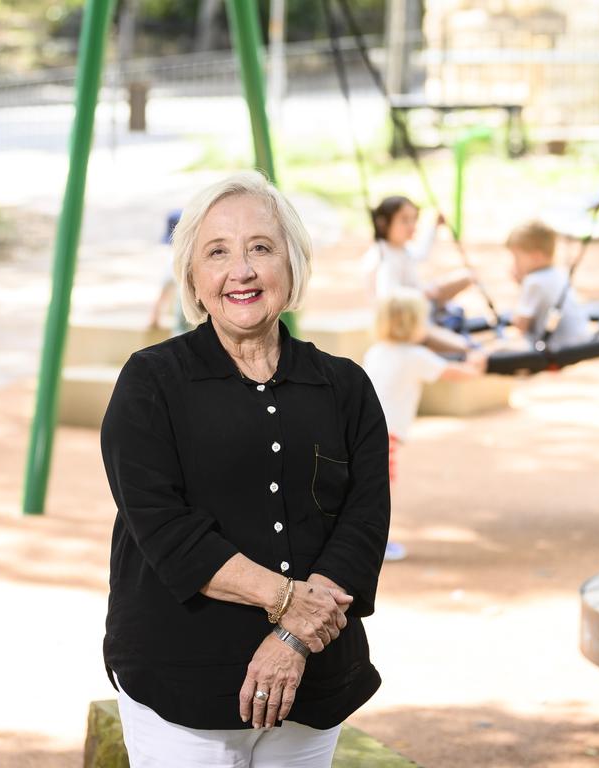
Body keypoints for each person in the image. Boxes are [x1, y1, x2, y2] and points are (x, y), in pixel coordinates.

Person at [100, 171, 390, 767]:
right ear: (193, 279)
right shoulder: (151, 383)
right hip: (180, 684)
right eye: (218, 252)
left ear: (292, 263)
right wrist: (287, 600)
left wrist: (292, 638)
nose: (243, 271)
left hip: (312, 682)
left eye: (261, 247)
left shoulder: (344, 386)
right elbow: (166, 530)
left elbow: (362, 525)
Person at [362, 287, 486, 561]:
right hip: (386, 436)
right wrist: (478, 363)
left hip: (362, 431)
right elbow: (457, 374)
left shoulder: (378, 351)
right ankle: (375, 544)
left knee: (366, 488)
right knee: (381, 492)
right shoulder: (413, 356)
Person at [361, 195, 479, 356]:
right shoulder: (383, 258)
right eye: (404, 220)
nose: (412, 226)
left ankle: (443, 319)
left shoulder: (401, 248)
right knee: (465, 347)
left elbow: (421, 252)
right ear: (383, 224)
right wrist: (421, 293)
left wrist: (434, 227)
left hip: (421, 306)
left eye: (414, 219)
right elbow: (388, 297)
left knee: (466, 276)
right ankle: (453, 341)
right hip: (404, 320)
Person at [504, 220, 591, 352]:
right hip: (581, 339)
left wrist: (520, 286)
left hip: (557, 346)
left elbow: (521, 326)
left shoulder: (533, 281)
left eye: (516, 257)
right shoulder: (559, 273)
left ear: (536, 257)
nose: (514, 263)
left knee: (501, 347)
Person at [147, 208, 191, 335]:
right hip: (181, 270)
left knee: (169, 294)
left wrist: (155, 317)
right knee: (181, 313)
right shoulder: (184, 255)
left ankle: (154, 318)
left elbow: (163, 292)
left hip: (173, 266)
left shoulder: (171, 255)